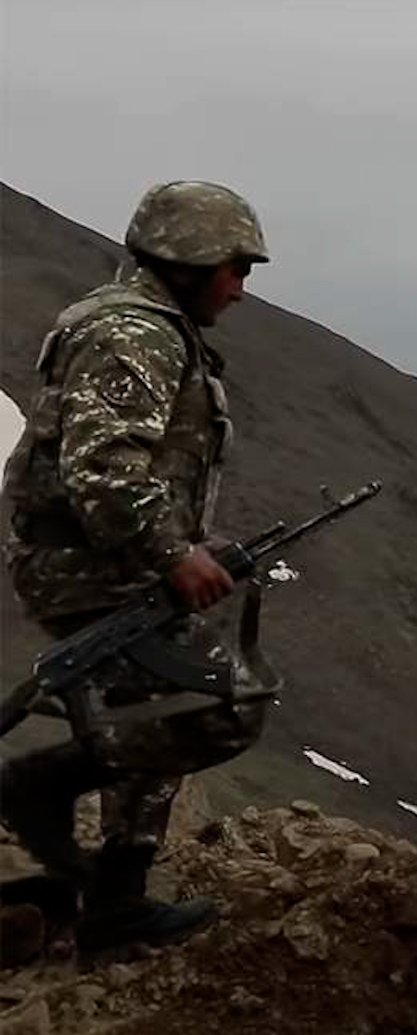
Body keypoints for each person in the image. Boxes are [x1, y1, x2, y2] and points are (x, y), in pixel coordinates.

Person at [0, 179, 277, 953]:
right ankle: (38, 789)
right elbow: (106, 468)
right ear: (191, 262)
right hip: (90, 565)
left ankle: (112, 904)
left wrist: (191, 546)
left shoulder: (152, 328)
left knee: (157, 708)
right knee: (216, 706)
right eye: (236, 268)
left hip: (111, 558)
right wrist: (172, 553)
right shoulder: (134, 335)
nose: (242, 289)